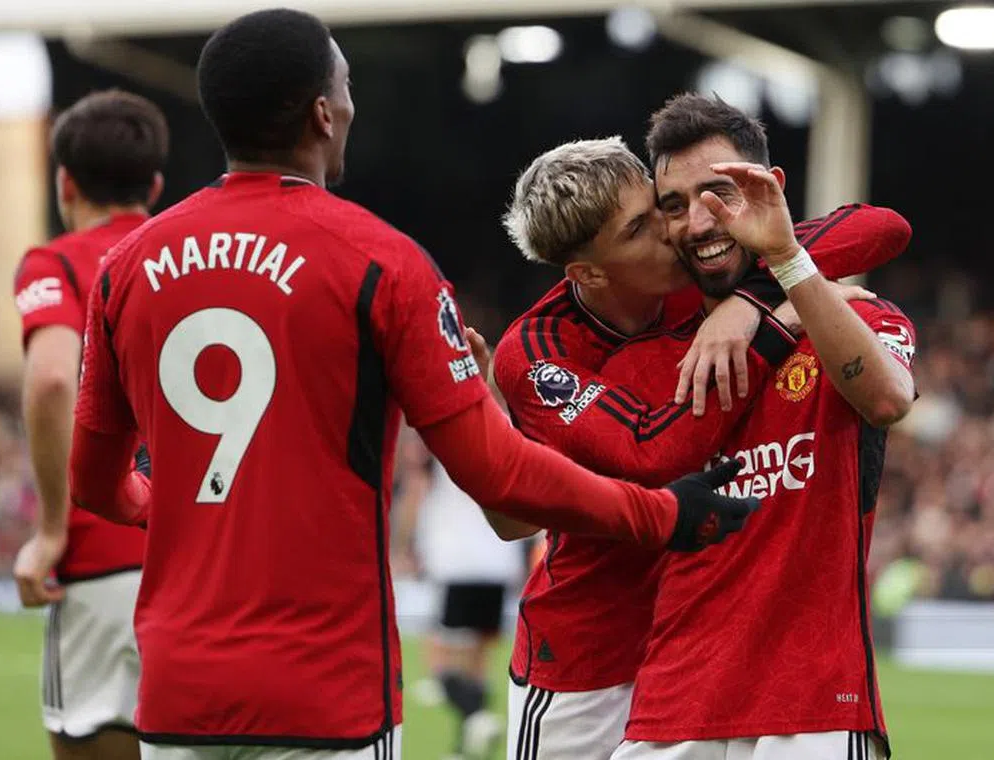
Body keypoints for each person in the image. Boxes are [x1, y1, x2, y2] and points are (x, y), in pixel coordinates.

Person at [63, 10, 758, 760]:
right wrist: (661, 516)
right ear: (324, 114)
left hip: (178, 688)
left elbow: (97, 487)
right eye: (347, 85)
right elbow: (496, 469)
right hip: (327, 690)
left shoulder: (124, 270)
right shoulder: (383, 263)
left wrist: (162, 496)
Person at [491, 135, 910, 760]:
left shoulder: (699, 278)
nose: (672, 232)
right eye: (639, 228)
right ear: (589, 272)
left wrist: (746, 303)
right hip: (589, 653)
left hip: (692, 649)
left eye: (658, 207)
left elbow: (877, 226)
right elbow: (650, 453)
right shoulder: (538, 353)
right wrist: (771, 325)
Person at [605, 94, 916, 760]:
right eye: (675, 204)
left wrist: (775, 280)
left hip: (814, 706)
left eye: (719, 192)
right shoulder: (650, 354)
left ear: (769, 188)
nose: (698, 221)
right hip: (671, 703)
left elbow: (888, 400)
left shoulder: (857, 317)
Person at [11, 89, 167, 760]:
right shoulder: (190, 256)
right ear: (155, 185)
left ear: (65, 182)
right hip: (203, 566)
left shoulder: (57, 263)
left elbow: (50, 377)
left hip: (102, 563)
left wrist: (50, 529)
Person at [394, 392, 527, 760]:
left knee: (437, 657)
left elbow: (415, 494)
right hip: (499, 559)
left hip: (456, 559)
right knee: (478, 659)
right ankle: (464, 745)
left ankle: (477, 715)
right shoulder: (510, 430)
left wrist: (403, 545)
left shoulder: (441, 430)